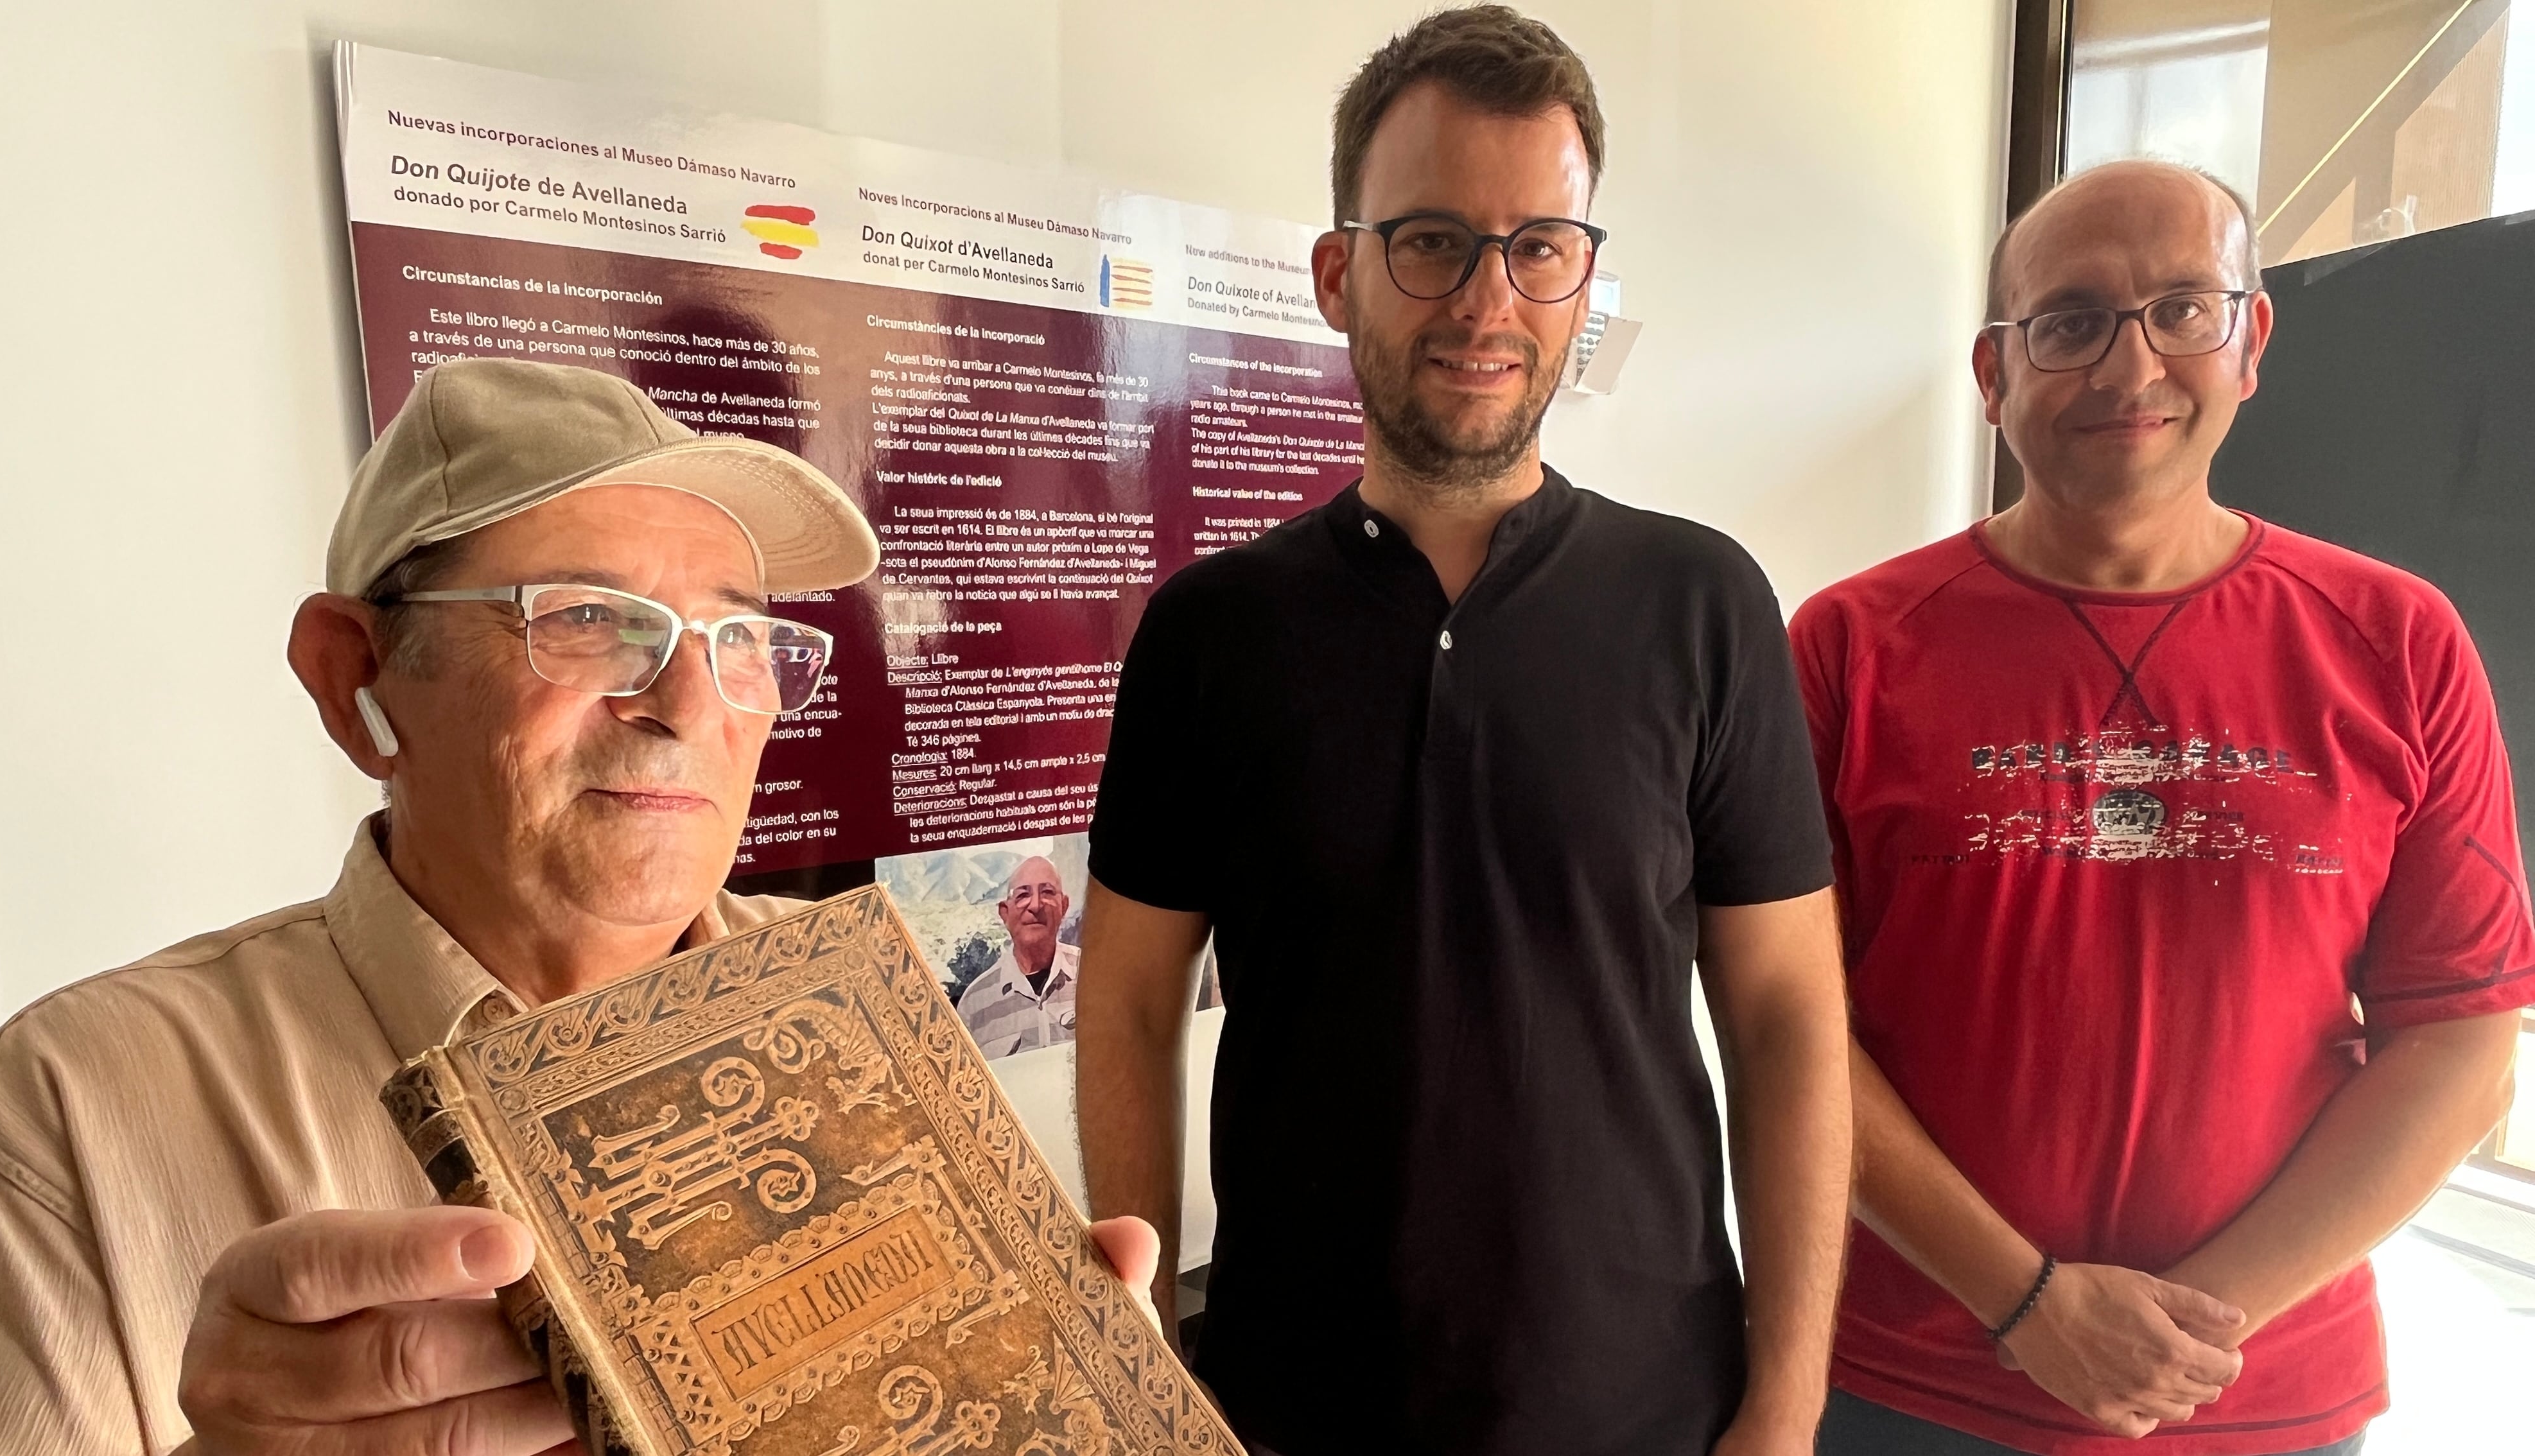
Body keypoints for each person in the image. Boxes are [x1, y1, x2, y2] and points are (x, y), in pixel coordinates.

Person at [0, 358, 1163, 1454]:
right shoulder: (71, 1112)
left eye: (739, 635)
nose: (692, 705)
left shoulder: (863, 999)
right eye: (588, 619)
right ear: (353, 677)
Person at [1074, 9, 1852, 1455]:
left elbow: (1789, 1019)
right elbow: (1124, 1000)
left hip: (1650, 1404)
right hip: (1288, 1402)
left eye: (1538, 246)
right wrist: (1142, 1357)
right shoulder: (1213, 631)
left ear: (1584, 279)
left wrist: (1788, 1400)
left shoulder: (1704, 603)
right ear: (1338, 272)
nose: (1487, 301)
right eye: (1431, 240)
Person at [1792, 160, 2532, 1456]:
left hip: (2265, 1398)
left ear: (2250, 341)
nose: (2131, 370)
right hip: (1907, 1388)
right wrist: (2025, 1306)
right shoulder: (1847, 649)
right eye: (2070, 321)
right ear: (1992, 374)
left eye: (2184, 309)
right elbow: (1788, 1025)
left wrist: (2189, 1329)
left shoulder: (2398, 642)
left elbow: (2462, 1045)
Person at [956, 853, 1081, 1055]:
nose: (1035, 906)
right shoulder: (974, 1004)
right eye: (1023, 896)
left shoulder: (1095, 976)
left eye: (1047, 892)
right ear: (1005, 912)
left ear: (1064, 906)